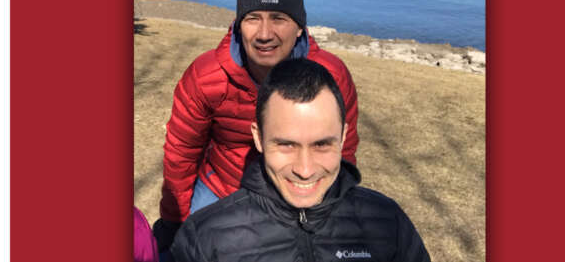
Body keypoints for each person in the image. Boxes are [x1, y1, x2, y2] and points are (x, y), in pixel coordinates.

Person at [154, 0, 360, 253]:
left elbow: (343, 147)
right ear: (239, 25)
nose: (264, 34)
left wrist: (334, 203)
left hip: (299, 184)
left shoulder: (330, 76)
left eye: (278, 18)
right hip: (224, 184)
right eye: (253, 18)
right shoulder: (206, 77)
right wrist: (173, 220)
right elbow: (182, 151)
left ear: (300, 26)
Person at [171, 59, 430, 262]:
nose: (304, 170)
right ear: (258, 138)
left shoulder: (387, 223)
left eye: (321, 144)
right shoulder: (205, 239)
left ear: (343, 138)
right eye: (285, 144)